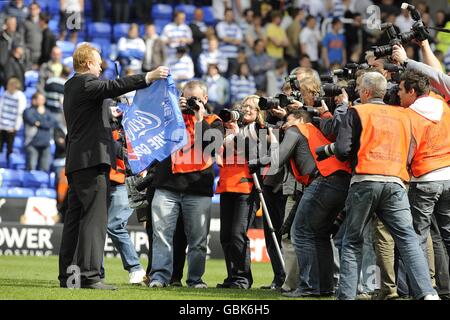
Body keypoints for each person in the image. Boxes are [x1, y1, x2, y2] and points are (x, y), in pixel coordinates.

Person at [58, 42, 169, 290]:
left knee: (75, 220)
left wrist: (111, 114)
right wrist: (148, 76)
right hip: (91, 161)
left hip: (77, 162)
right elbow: (113, 86)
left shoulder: (72, 86)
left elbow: (93, 111)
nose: (101, 66)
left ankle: (70, 277)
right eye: (98, 62)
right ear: (87, 63)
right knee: (94, 219)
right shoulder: (87, 83)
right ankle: (89, 276)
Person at [329, 71, 438, 300]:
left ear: (367, 92)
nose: (357, 91)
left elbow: (341, 150)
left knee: (352, 241)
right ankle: (428, 294)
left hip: (365, 180)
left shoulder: (357, 111)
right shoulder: (403, 115)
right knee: (408, 240)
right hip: (396, 182)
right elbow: (411, 149)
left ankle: (346, 296)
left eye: (359, 88)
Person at [148, 80, 224, 288]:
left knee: (198, 241)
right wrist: (174, 109)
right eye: (187, 98)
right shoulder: (170, 116)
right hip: (166, 185)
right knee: (161, 235)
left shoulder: (214, 120)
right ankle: (159, 277)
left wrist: (199, 117)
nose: (191, 103)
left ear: (205, 99)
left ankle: (195, 279)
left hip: (197, 189)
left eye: (196, 99)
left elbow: (212, 146)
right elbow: (152, 133)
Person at [398, 70, 450, 298]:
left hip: (425, 179)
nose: (397, 94)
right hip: (448, 176)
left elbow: (407, 153)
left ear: (411, 91)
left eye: (400, 89)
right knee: (446, 237)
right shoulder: (442, 104)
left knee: (416, 238)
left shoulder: (409, 116)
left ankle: (423, 292)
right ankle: (445, 290)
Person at [215, 96, 262, 289]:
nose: (247, 110)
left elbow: (257, 156)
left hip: (247, 187)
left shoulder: (262, 130)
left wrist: (236, 136)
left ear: (260, 112)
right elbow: (216, 155)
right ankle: (232, 277)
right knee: (225, 236)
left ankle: (243, 278)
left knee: (237, 234)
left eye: (251, 107)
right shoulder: (230, 129)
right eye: (244, 107)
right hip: (227, 185)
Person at [23, 92, 57, 172]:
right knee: (31, 169)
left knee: (45, 169)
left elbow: (52, 123)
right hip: (32, 143)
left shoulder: (48, 112)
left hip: (46, 144)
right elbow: (31, 120)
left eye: (43, 99)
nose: (42, 101)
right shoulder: (28, 111)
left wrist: (39, 123)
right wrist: (44, 123)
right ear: (34, 100)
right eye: (40, 99)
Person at [0, 77, 26, 167]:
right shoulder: (5, 94)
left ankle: (7, 165)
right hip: (2, 126)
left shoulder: (21, 96)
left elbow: (20, 113)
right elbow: (0, 109)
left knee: (9, 148)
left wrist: (15, 127)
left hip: (11, 128)